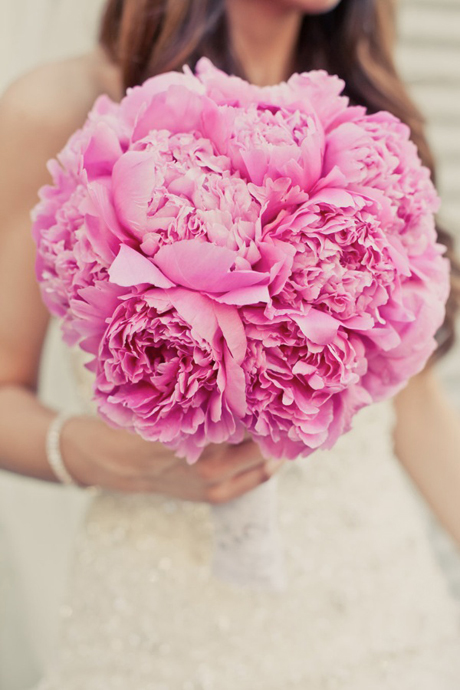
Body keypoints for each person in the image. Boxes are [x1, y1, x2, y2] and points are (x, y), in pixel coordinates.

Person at [1, 0, 460, 687]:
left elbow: (412, 407)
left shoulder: (366, 113)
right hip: (157, 631)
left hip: (380, 618)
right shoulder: (61, 107)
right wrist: (109, 457)